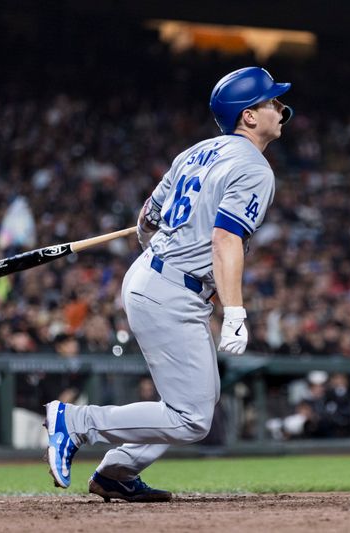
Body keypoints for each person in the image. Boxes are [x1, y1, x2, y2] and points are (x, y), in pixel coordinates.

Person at [43, 67, 293, 502]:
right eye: (272, 102)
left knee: (198, 400)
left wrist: (157, 238)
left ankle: (116, 472)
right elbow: (225, 238)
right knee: (193, 418)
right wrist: (235, 310)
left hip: (153, 276)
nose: (280, 108)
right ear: (248, 116)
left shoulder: (195, 152)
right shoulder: (254, 167)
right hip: (170, 291)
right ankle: (76, 421)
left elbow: (147, 219)